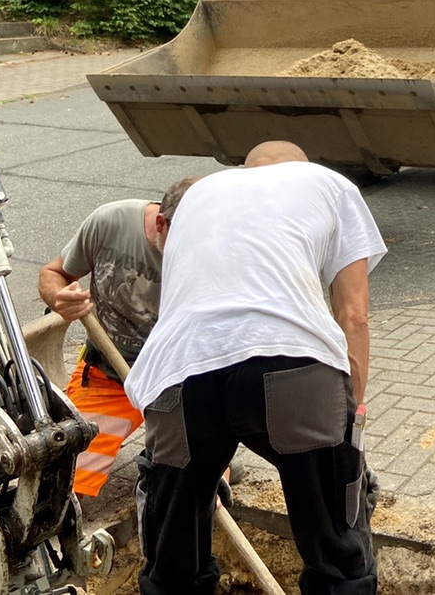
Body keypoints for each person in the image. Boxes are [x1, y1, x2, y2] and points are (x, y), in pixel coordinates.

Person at [128, 140, 387, 595]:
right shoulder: (328, 184)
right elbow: (354, 316)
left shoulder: (198, 195)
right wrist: (352, 425)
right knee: (337, 551)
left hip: (181, 373)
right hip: (294, 366)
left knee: (174, 558)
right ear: (301, 167)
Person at [38, 178, 198, 497]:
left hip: (180, 385)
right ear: (160, 223)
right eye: (185, 242)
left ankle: (198, 456)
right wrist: (59, 298)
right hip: (110, 376)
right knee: (64, 490)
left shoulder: (216, 250)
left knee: (195, 489)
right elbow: (53, 274)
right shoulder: (111, 222)